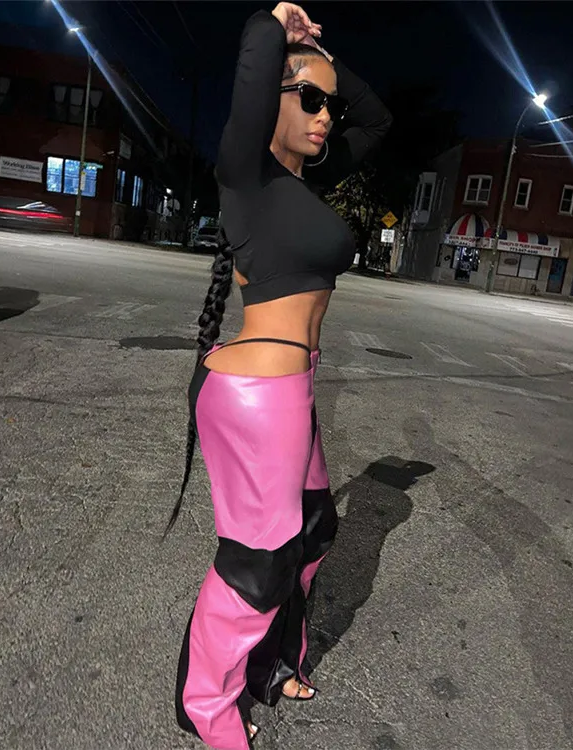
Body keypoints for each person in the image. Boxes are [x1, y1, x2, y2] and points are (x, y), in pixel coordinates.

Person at [165, 3, 392, 747]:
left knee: (315, 529)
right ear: (274, 102)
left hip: (291, 387)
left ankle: (267, 666)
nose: (326, 116)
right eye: (310, 99)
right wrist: (276, 24)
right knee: (258, 565)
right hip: (258, 397)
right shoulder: (245, 173)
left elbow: (377, 118)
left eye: (329, 104)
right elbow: (254, 69)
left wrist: (324, 61)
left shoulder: (306, 181)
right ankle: (205, 705)